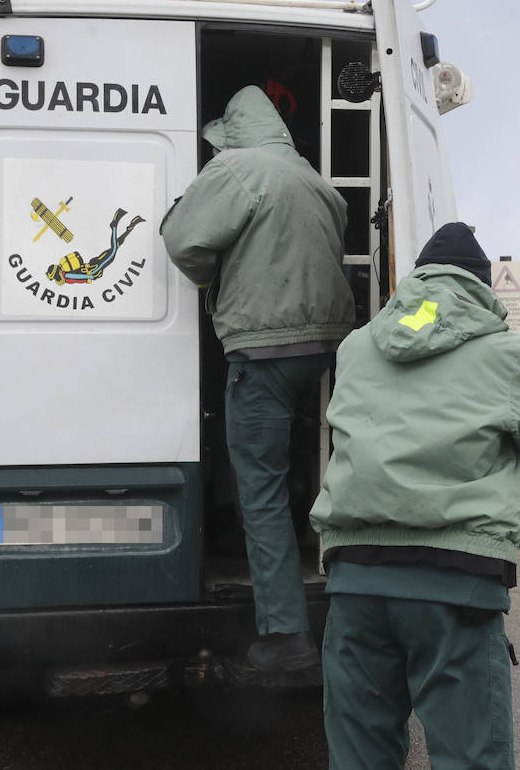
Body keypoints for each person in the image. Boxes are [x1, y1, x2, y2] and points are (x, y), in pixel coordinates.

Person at [309, 222, 520, 769]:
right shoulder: (505, 352)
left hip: (356, 577)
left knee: (359, 755)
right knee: (470, 753)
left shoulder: (357, 347)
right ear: (482, 289)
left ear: (417, 281)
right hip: (455, 581)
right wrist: (493, 477)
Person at [162, 84, 354, 673]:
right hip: (323, 348)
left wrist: (211, 280)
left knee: (260, 489)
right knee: (316, 466)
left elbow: (182, 240)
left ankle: (285, 635)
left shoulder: (237, 168)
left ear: (233, 133)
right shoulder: (317, 181)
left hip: (263, 349)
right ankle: (347, 603)